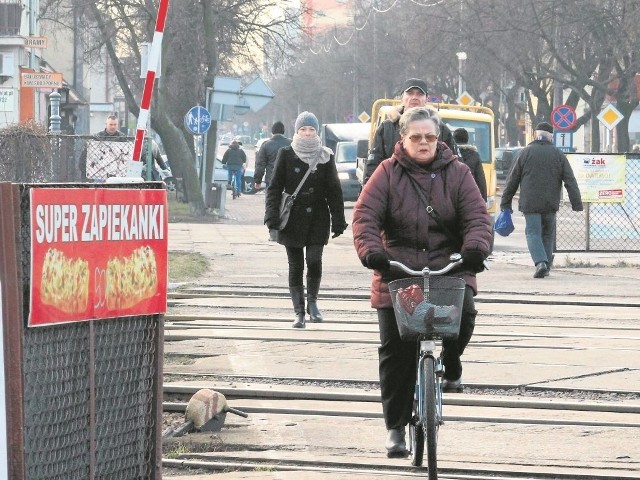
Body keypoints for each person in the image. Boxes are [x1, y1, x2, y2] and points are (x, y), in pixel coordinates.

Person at [352, 107, 492, 457]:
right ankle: (395, 428)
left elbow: (477, 216)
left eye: (430, 136)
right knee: (395, 352)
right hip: (398, 270)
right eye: (416, 137)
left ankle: (453, 362)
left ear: (439, 138)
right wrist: (374, 253)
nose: (424, 143)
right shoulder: (386, 172)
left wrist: (475, 248)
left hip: (450, 267)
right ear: (403, 139)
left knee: (466, 313)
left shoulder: (459, 173)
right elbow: (365, 216)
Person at [264, 111, 348, 328]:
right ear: (297, 131)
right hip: (292, 218)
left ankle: (313, 303)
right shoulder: (286, 154)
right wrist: (271, 216)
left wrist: (339, 220)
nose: (308, 133)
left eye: (311, 129)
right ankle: (298, 312)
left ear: (316, 131)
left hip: (318, 217)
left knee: (314, 260)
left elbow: (334, 191)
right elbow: (274, 188)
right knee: (295, 265)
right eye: (303, 129)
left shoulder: (325, 156)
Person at [500, 121, 583, 278]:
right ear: (551, 137)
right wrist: (576, 203)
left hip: (530, 203)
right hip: (550, 203)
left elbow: (512, 180)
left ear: (534, 135)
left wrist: (506, 202)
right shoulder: (558, 154)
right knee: (547, 234)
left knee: (533, 233)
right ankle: (546, 264)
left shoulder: (524, 153)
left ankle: (540, 263)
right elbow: (569, 179)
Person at [363, 78, 459, 184]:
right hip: (395, 192)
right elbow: (374, 165)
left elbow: (455, 164)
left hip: (432, 192)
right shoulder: (387, 128)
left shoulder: (441, 129)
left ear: (426, 98)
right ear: (402, 98)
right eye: (410, 93)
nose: (414, 97)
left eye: (419, 94)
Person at [255, 121, 292, 241]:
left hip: (272, 181)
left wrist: (257, 180)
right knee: (288, 206)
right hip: (289, 182)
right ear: (283, 131)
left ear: (272, 131)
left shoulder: (266, 145)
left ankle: (273, 233)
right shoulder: (291, 144)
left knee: (272, 206)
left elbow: (260, 164)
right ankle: (287, 231)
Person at [453, 127, 487, 201]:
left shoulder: (449, 154)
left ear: (454, 139)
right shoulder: (474, 155)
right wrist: (483, 200)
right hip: (470, 195)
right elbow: (480, 180)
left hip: (453, 196)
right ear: (467, 139)